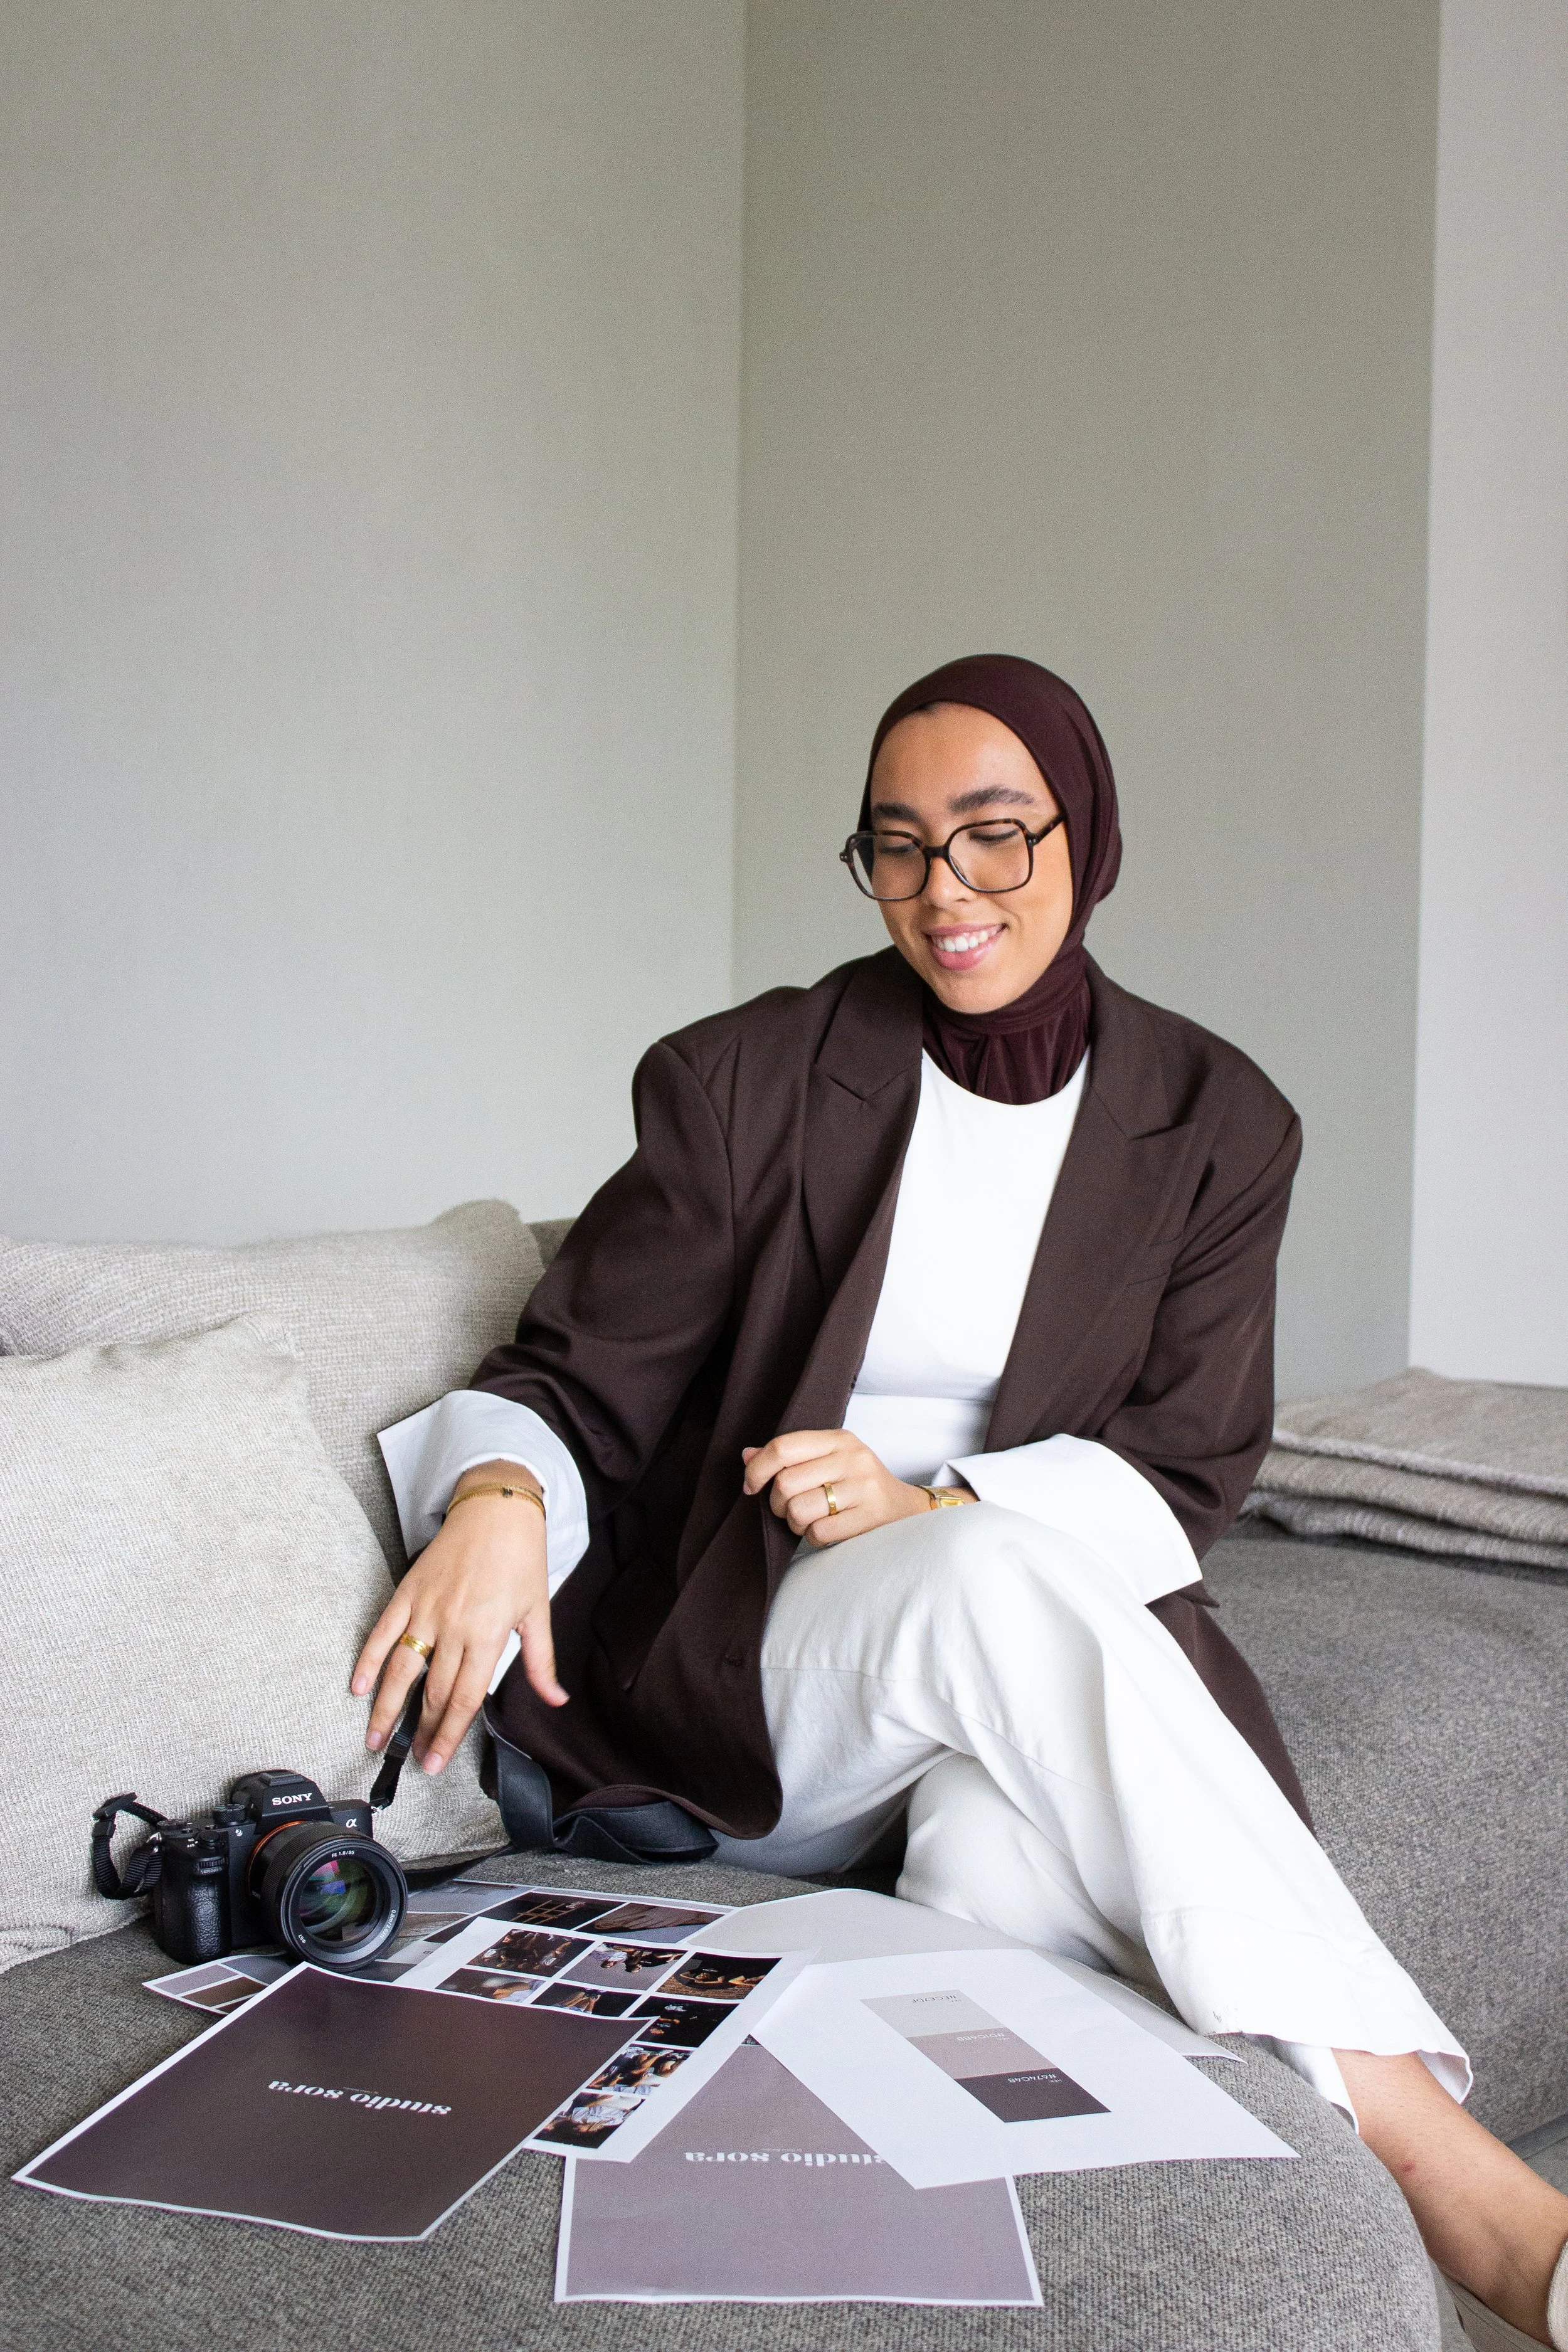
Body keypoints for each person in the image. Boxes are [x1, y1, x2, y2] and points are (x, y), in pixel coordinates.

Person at [357, 655, 1568, 2347]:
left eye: (995, 838)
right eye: (900, 845)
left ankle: (1085, 2288)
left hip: (994, 1657)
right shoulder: (743, 1083)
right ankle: (1485, 2209)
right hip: (756, 1666)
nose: (947, 891)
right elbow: (577, 1372)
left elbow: (1189, 1466)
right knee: (987, 1575)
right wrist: (494, 1488)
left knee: (1005, 1875)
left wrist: (933, 1496)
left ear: (1088, 837)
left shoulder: (1216, 1121)